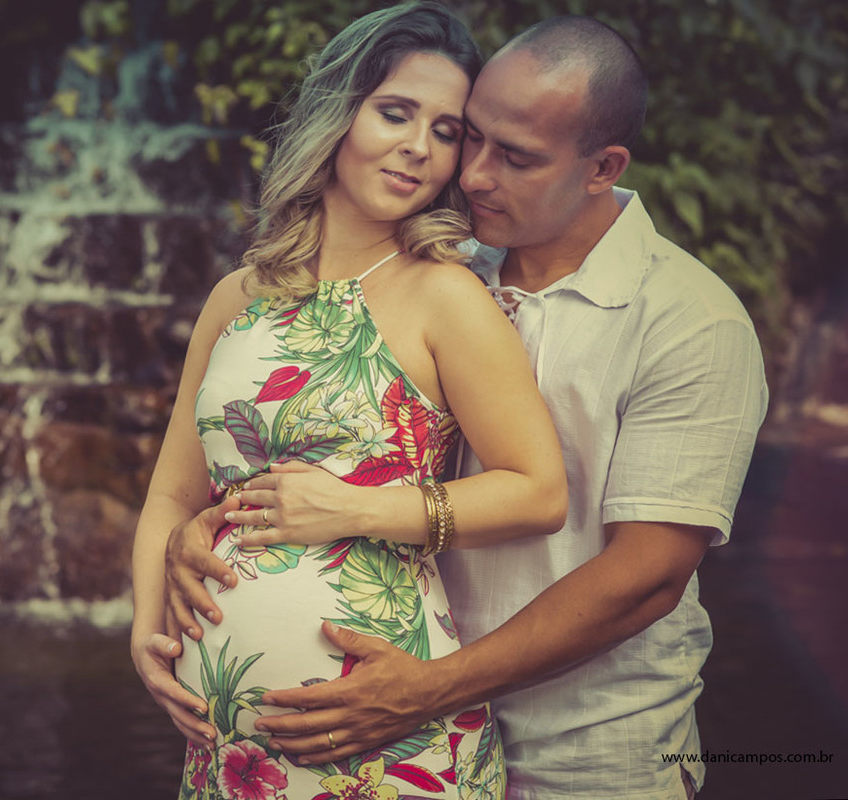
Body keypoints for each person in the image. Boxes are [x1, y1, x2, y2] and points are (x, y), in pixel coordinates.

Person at [157, 15, 769, 800]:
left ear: (601, 166)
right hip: (378, 712)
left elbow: (645, 577)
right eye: (469, 138)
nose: (472, 174)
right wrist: (196, 534)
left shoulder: (689, 320)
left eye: (513, 157)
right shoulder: (431, 264)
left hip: (584, 753)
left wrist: (430, 687)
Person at [129, 3, 569, 798]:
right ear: (338, 115)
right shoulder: (237, 297)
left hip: (390, 744)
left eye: (445, 131)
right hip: (227, 752)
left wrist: (354, 509)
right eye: (394, 113)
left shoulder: (446, 296)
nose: (418, 148)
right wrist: (145, 627)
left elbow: (538, 491)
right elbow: (170, 492)